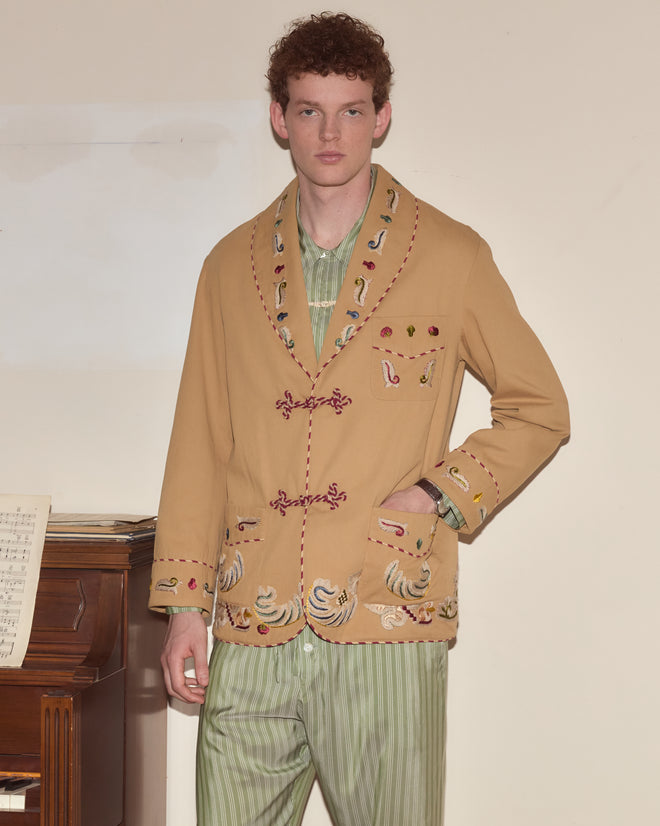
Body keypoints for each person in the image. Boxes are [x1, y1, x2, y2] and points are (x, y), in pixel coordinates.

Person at [149, 12, 569, 826]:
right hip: (251, 627)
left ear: (381, 116)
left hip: (385, 612)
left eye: (350, 110)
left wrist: (437, 494)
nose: (330, 131)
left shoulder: (451, 255)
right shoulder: (228, 266)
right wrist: (184, 607)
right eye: (309, 110)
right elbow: (201, 440)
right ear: (279, 118)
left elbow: (539, 406)